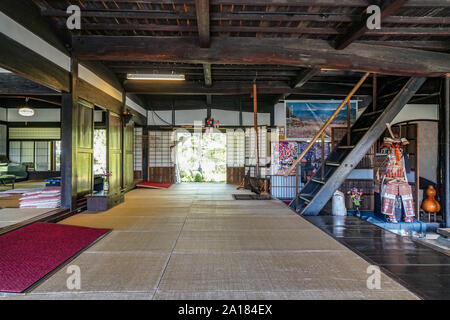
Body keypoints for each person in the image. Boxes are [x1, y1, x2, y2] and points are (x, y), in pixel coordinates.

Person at [380, 128, 415, 223]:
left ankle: (408, 215)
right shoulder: (386, 153)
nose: (396, 145)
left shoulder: (402, 153)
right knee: (391, 189)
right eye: (394, 143)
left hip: (400, 177)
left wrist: (404, 178)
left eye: (398, 143)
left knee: (406, 188)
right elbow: (381, 167)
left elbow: (404, 169)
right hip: (389, 178)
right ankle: (390, 215)